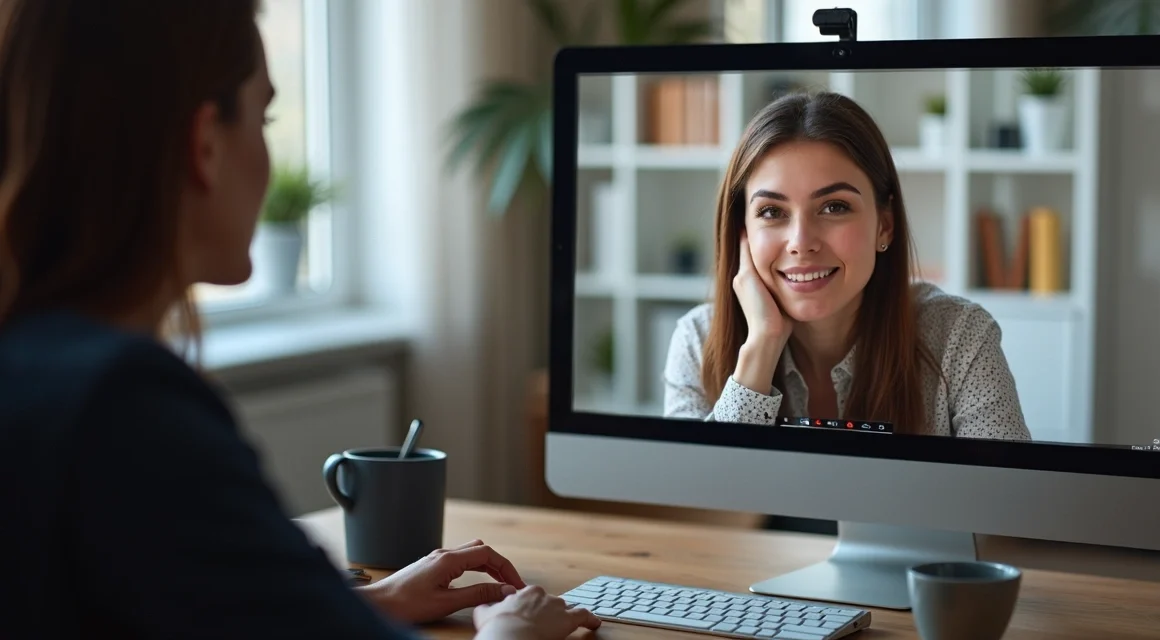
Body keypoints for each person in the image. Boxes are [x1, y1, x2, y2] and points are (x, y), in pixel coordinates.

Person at [0, 2, 599, 639]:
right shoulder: (125, 410)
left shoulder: (35, 369)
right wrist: (512, 632)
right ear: (204, 144)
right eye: (264, 118)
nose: (267, 157)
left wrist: (367, 605)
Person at [663, 91, 1031, 441]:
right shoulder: (697, 342)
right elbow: (697, 500)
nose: (801, 241)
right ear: (743, 232)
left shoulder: (960, 338)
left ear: (884, 225)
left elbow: (1008, 501)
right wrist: (760, 349)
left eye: (834, 207)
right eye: (772, 212)